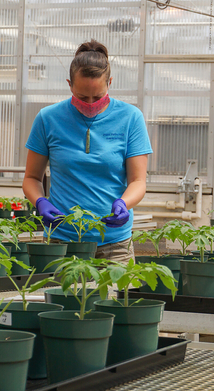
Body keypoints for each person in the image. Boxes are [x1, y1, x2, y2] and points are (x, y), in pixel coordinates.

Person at [22, 39, 152, 263]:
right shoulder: (48, 118)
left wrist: (124, 204)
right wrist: (40, 202)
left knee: (115, 298)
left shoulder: (130, 118)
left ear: (109, 83)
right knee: (64, 297)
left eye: (98, 97)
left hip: (115, 243)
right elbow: (32, 178)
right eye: (82, 97)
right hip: (62, 242)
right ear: (69, 85)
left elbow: (138, 181)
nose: (90, 103)